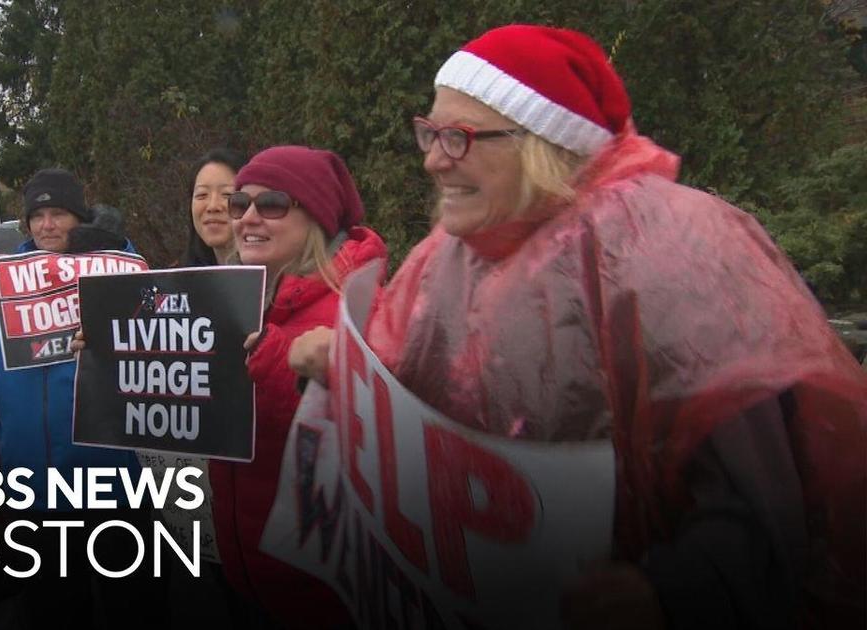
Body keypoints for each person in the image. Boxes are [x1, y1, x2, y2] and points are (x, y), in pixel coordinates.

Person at [289, 24, 867, 629]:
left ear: (545, 145)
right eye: (428, 133)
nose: (433, 160)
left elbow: (764, 495)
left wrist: (665, 593)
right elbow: (408, 403)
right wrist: (345, 368)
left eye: (458, 138)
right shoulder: (448, 257)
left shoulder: (670, 248)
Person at [0, 168, 164, 628]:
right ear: (25, 224)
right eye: (38, 216)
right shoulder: (0, 285)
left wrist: (117, 251)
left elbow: (152, 318)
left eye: (59, 214)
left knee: (134, 608)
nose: (48, 225)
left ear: (79, 218)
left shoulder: (107, 268)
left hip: (113, 485)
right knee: (55, 611)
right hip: (33, 490)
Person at [208, 145, 388, 628]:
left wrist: (271, 365)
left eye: (271, 204)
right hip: (244, 570)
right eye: (238, 202)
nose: (248, 217)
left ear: (318, 218)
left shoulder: (363, 312)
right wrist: (109, 353)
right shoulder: (230, 299)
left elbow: (366, 451)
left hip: (321, 590)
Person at [180, 149, 244, 266]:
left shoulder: (270, 279)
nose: (213, 206)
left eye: (227, 194)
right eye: (202, 195)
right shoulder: (179, 280)